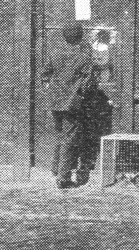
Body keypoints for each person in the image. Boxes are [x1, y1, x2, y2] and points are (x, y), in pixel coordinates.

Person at [44, 23, 111, 189]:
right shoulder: (83, 56)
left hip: (55, 102)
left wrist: (53, 88)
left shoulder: (55, 52)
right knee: (69, 138)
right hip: (72, 103)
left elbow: (45, 74)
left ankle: (55, 168)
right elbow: (89, 82)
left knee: (60, 134)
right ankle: (63, 177)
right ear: (80, 36)